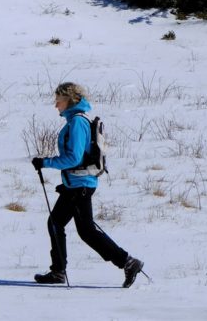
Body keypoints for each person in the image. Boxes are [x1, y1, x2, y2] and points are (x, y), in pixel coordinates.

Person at [31, 82, 144, 287]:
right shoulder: (76, 121)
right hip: (77, 184)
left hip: (80, 185)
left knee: (86, 231)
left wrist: (46, 162)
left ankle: (128, 262)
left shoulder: (77, 123)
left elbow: (73, 158)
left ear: (69, 100)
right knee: (56, 223)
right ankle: (58, 271)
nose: (56, 105)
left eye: (59, 101)